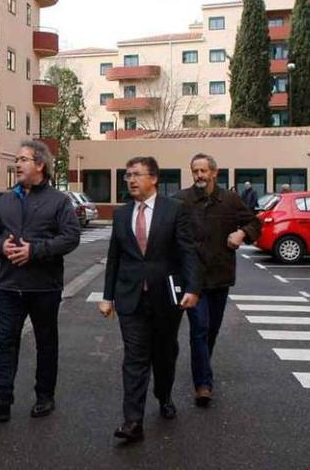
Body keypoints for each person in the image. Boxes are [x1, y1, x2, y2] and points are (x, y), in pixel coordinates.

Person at [0, 140, 80, 423]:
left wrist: (35, 250)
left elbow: (71, 237)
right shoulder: (6, 200)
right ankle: (2, 401)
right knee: (6, 343)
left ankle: (45, 396)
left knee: (46, 343)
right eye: (17, 160)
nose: (17, 164)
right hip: (9, 287)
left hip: (44, 287)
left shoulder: (59, 201)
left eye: (22, 159)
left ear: (39, 165)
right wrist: (1, 247)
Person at [98, 156, 199, 443]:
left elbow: (187, 252)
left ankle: (163, 394)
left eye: (136, 175)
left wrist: (192, 289)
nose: (130, 180)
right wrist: (108, 297)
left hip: (166, 297)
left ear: (154, 178)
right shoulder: (121, 214)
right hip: (130, 298)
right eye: (127, 175)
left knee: (164, 354)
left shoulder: (175, 210)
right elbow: (114, 259)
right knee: (134, 358)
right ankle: (133, 421)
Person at [174, 153, 261, 407]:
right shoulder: (182, 200)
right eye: (195, 171)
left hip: (220, 277)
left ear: (214, 172)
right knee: (199, 328)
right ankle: (203, 384)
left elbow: (255, 222)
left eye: (203, 171)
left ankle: (203, 365)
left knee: (211, 330)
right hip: (193, 280)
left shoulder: (230, 200)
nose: (199, 175)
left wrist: (242, 233)